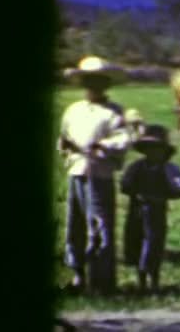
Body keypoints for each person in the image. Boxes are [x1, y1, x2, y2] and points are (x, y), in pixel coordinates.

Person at [58, 55, 131, 294]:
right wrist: (66, 147)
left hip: (98, 174)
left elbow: (122, 139)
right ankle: (78, 274)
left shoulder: (113, 113)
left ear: (106, 85)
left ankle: (102, 279)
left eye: (99, 82)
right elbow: (64, 137)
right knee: (75, 223)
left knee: (99, 224)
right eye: (89, 82)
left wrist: (103, 146)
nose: (93, 87)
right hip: (77, 171)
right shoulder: (74, 110)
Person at [121, 125, 180, 293]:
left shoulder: (169, 169)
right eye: (149, 148)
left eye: (157, 148)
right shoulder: (137, 167)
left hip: (156, 211)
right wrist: (134, 192)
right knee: (136, 241)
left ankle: (154, 280)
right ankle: (141, 280)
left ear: (164, 150)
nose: (153, 152)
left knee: (154, 244)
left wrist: (165, 195)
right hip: (136, 210)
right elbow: (125, 184)